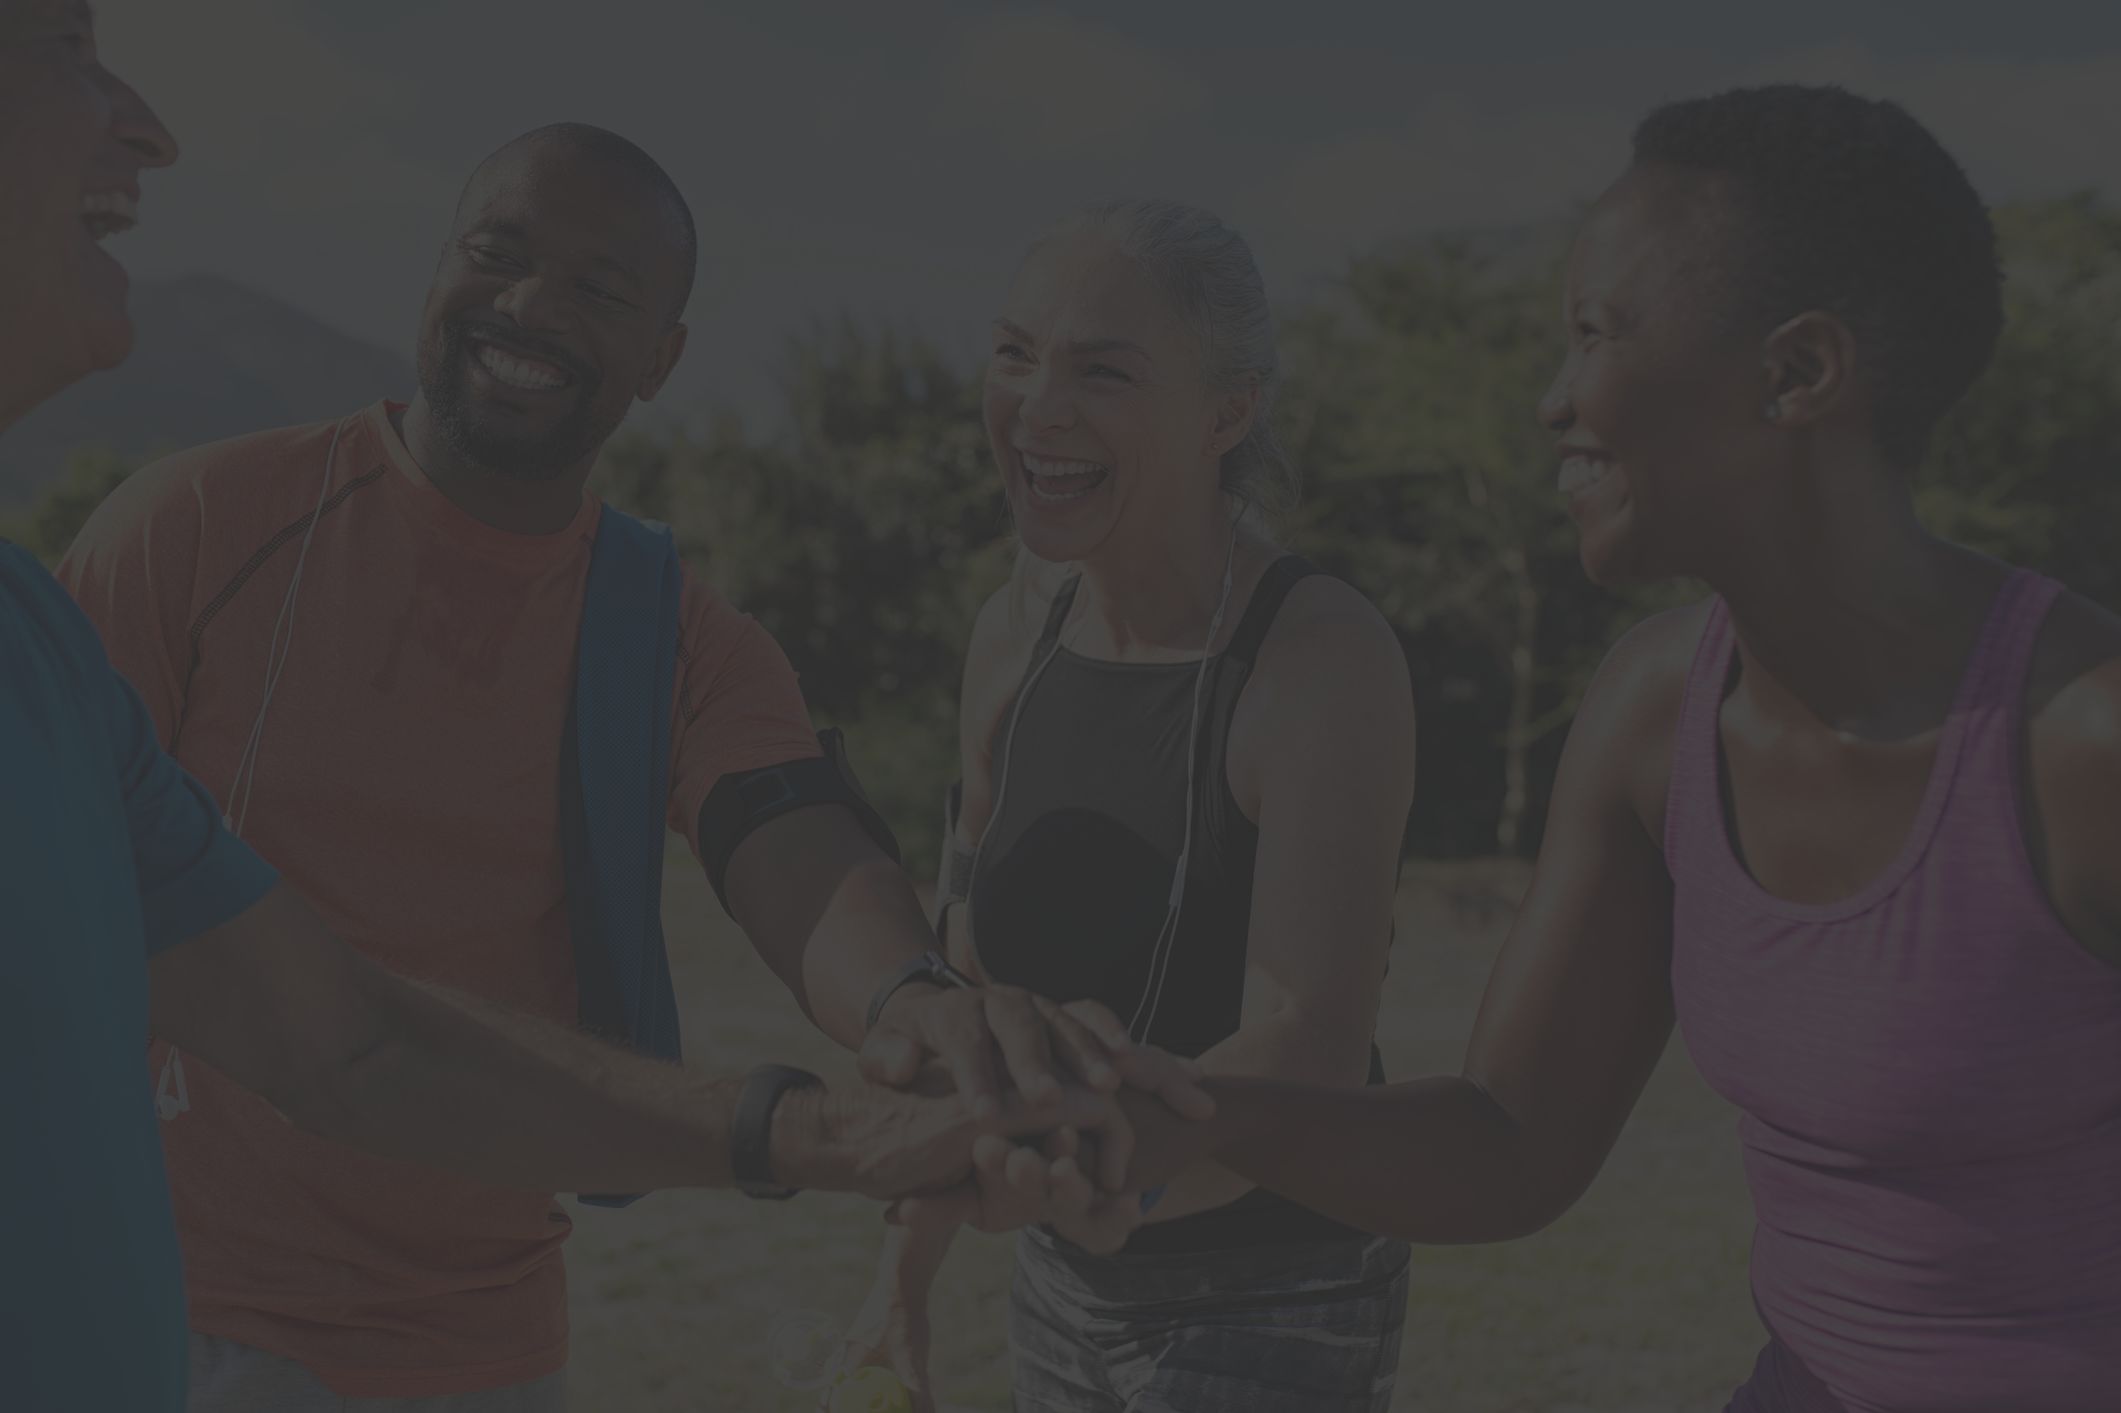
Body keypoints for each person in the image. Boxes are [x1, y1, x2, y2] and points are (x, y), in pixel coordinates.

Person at [1, 9, 1194, 1413]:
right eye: (497, 255)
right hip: (177, 1310)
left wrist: (918, 1007)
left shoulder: (668, 630)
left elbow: (789, 835)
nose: (530, 305)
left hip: (477, 1342)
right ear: (438, 270)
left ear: (665, 355)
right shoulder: (197, 527)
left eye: (598, 286)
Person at [1081, 84, 2121, 1412]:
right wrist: (1193, 1113)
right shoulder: (1652, 710)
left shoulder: (2080, 745)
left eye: (1595, 335)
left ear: (1797, 372)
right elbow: (1507, 1142)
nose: (1550, 401)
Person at [839, 199, 1418, 1413]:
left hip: (1275, 1298)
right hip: (1059, 1286)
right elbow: (965, 982)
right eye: (1014, 354)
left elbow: (1306, 1048)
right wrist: (907, 1265)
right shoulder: (1010, 636)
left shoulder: (1318, 659)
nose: (1039, 408)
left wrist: (1073, 1172)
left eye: (1101, 371)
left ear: (1227, 412)